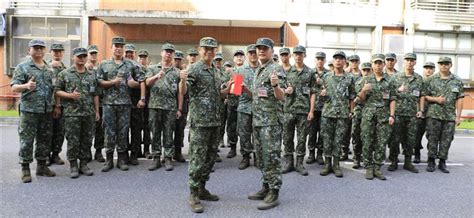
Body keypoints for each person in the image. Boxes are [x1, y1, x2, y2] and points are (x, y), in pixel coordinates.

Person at [179, 37, 230, 213]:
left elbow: (219, 95)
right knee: (197, 158)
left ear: (215, 51)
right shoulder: (194, 69)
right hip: (200, 122)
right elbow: (184, 92)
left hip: (215, 121)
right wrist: (183, 80)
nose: (209, 52)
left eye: (212, 49)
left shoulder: (216, 71)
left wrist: (228, 88)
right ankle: (193, 193)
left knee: (209, 158)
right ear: (199, 50)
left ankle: (202, 187)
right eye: (205, 49)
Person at [247, 37, 286, 210]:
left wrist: (276, 85)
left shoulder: (276, 69)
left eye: (265, 48)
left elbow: (281, 95)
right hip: (258, 120)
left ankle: (274, 192)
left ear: (271, 51)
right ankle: (266, 186)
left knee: (272, 157)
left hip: (271, 122)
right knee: (262, 157)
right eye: (258, 48)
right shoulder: (258, 70)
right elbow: (258, 95)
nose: (261, 51)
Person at [96, 36, 145, 172]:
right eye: (116, 45)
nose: (118, 48)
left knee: (123, 132)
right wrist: (112, 82)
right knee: (109, 131)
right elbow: (99, 82)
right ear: (111, 47)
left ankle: (122, 159)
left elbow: (141, 80)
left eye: (121, 46)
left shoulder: (131, 64)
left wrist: (140, 94)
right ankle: (109, 160)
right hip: (108, 104)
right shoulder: (104, 64)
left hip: (125, 104)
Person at [11, 39, 56, 183]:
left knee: (44, 139)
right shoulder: (23, 67)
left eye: (41, 48)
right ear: (29, 50)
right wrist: (26, 86)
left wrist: (55, 106)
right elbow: (14, 87)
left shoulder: (49, 69)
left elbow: (52, 89)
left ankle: (42, 166)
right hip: (29, 110)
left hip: (46, 110)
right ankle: (25, 168)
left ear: (45, 51)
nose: (39, 51)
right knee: (27, 139)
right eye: (35, 48)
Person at [54, 47, 100, 178]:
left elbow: (95, 94)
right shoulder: (65, 73)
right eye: (79, 56)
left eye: (84, 56)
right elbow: (57, 91)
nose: (82, 59)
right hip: (71, 114)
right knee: (73, 140)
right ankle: (73, 165)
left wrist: (97, 111)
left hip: (88, 113)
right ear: (73, 57)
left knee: (86, 139)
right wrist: (70, 96)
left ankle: (84, 164)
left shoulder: (92, 75)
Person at [357, 53, 396, 180]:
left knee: (381, 142)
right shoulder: (365, 80)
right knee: (367, 141)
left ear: (384, 64)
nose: (378, 65)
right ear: (372, 65)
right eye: (375, 63)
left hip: (383, 117)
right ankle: (368, 167)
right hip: (368, 116)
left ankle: (378, 168)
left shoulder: (390, 81)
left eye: (380, 63)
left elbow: (393, 99)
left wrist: (392, 115)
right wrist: (363, 90)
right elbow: (359, 100)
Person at [423, 57, 464, 173]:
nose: (444, 66)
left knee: (447, 139)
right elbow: (424, 96)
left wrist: (458, 116)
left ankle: (442, 161)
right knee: (432, 138)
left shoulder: (457, 80)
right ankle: (431, 160)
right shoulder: (430, 80)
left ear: (451, 65)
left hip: (449, 116)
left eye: (446, 64)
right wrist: (436, 99)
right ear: (438, 65)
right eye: (441, 64)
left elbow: (460, 98)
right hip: (433, 115)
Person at [319, 51, 355, 178]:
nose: (338, 61)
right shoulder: (326, 77)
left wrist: (351, 111)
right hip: (328, 113)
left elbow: (352, 96)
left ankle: (336, 164)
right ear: (333, 61)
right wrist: (321, 94)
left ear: (345, 62)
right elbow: (320, 95)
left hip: (342, 114)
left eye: (341, 59)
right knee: (327, 139)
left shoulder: (350, 78)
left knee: (338, 140)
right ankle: (327, 164)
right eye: (336, 59)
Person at [145, 43, 182, 171]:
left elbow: (180, 92)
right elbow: (147, 83)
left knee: (168, 133)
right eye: (166, 51)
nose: (168, 54)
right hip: (155, 106)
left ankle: (168, 158)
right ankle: (156, 157)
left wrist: (179, 108)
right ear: (161, 53)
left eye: (171, 52)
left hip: (170, 107)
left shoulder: (177, 72)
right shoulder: (153, 68)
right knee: (155, 132)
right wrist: (156, 76)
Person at [281, 45, 316, 176]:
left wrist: (311, 111)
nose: (298, 56)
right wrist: (285, 91)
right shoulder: (287, 72)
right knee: (287, 137)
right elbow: (278, 89)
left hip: (303, 111)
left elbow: (313, 93)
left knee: (302, 138)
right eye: (296, 54)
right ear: (292, 56)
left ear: (304, 55)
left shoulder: (310, 72)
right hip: (288, 109)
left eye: (301, 54)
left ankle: (299, 163)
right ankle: (288, 162)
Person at [387, 53, 423, 173]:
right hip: (398, 113)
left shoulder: (419, 78)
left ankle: (408, 162)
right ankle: (394, 161)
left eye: (412, 60)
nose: (409, 62)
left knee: (410, 139)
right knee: (395, 139)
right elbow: (389, 95)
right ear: (404, 62)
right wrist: (398, 90)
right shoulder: (395, 77)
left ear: (415, 63)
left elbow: (421, 96)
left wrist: (420, 110)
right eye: (407, 60)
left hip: (412, 114)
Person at [235, 44, 259, 170]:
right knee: (244, 134)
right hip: (244, 107)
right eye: (250, 53)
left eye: (255, 52)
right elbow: (236, 91)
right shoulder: (240, 70)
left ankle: (257, 156)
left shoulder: (263, 69)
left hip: (259, 108)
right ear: (247, 55)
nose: (253, 55)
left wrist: (249, 91)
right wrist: (240, 87)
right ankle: (245, 156)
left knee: (257, 134)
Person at [124, 43, 145, 165]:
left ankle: (134, 154)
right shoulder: (120, 66)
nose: (128, 54)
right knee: (124, 131)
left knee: (136, 130)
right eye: (127, 52)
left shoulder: (137, 66)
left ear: (134, 54)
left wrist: (134, 84)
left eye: (131, 52)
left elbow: (144, 83)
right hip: (123, 104)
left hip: (135, 104)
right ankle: (125, 154)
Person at [307, 51, 328, 165]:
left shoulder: (329, 74)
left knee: (323, 132)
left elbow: (334, 89)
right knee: (312, 132)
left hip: (325, 108)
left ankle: (320, 154)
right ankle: (311, 153)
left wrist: (327, 90)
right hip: (312, 108)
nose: (320, 61)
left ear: (324, 60)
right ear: (315, 60)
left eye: (322, 59)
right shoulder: (310, 73)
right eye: (318, 59)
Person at [86, 45, 106, 162]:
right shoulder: (83, 67)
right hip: (87, 103)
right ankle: (87, 151)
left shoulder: (101, 67)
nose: (93, 56)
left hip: (101, 103)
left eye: (95, 54)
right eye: (91, 53)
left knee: (100, 130)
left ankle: (98, 152)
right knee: (88, 129)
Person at [48, 43, 66, 166]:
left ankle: (55, 154)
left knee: (60, 131)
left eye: (59, 51)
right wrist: (55, 105)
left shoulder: (66, 70)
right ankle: (45, 155)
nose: (57, 54)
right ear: (50, 52)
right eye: (55, 51)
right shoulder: (45, 67)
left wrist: (59, 105)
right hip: (48, 105)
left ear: (63, 53)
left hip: (61, 105)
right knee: (47, 131)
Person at [351, 62, 372, 169]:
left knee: (368, 136)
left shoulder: (375, 83)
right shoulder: (357, 83)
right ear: (361, 71)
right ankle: (356, 157)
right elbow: (354, 99)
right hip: (359, 111)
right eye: (364, 70)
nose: (366, 72)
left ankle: (367, 156)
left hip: (371, 112)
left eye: (368, 70)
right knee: (356, 135)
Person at [414, 61, 435, 163]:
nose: (428, 70)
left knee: (431, 136)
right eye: (426, 68)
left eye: (431, 68)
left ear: (434, 70)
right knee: (417, 135)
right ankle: (417, 154)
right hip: (420, 112)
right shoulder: (419, 81)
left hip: (432, 113)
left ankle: (430, 156)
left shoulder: (436, 82)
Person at [225, 49, 245, 158]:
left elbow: (239, 88)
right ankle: (232, 148)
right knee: (231, 126)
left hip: (244, 103)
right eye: (237, 56)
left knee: (244, 128)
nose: (239, 57)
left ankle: (245, 150)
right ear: (233, 59)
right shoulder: (229, 71)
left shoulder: (247, 70)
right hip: (232, 103)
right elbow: (223, 84)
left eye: (241, 56)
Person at [136, 49, 152, 159]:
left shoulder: (150, 70)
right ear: (137, 59)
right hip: (137, 102)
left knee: (147, 127)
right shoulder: (135, 70)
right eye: (140, 57)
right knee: (136, 127)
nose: (142, 59)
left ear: (147, 59)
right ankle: (137, 150)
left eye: (144, 57)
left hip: (149, 102)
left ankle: (146, 150)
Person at [172, 50, 186, 162]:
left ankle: (178, 152)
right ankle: (167, 153)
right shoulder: (170, 71)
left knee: (180, 129)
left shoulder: (184, 72)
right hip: (169, 105)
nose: (177, 61)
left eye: (179, 59)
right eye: (175, 59)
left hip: (183, 105)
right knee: (167, 130)